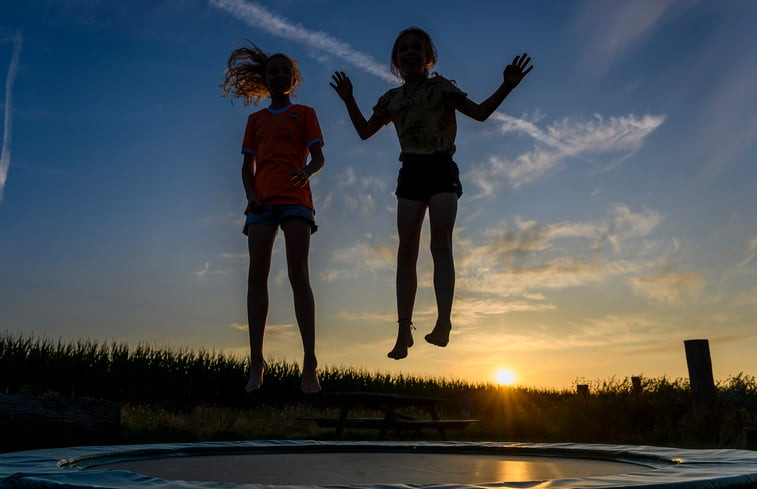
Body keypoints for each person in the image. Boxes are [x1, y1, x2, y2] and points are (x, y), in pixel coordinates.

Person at [331, 27, 532, 360]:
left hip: (441, 168)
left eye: (417, 48)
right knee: (406, 250)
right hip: (410, 172)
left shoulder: (442, 88)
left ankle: (443, 322)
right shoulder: (392, 99)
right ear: (396, 60)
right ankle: (402, 331)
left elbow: (480, 113)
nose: (410, 53)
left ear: (429, 57)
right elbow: (365, 132)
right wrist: (349, 98)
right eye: (403, 49)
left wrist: (507, 86)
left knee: (440, 243)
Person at [222, 43, 324, 393]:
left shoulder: (306, 113)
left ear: (293, 80)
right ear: (265, 80)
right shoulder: (256, 120)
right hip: (262, 204)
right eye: (274, 71)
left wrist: (307, 171)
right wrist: (250, 194)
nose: (279, 75)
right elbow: (245, 167)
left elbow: (319, 158)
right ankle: (256, 362)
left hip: (296, 200)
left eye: (285, 72)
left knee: (298, 274)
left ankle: (309, 362)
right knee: (256, 277)